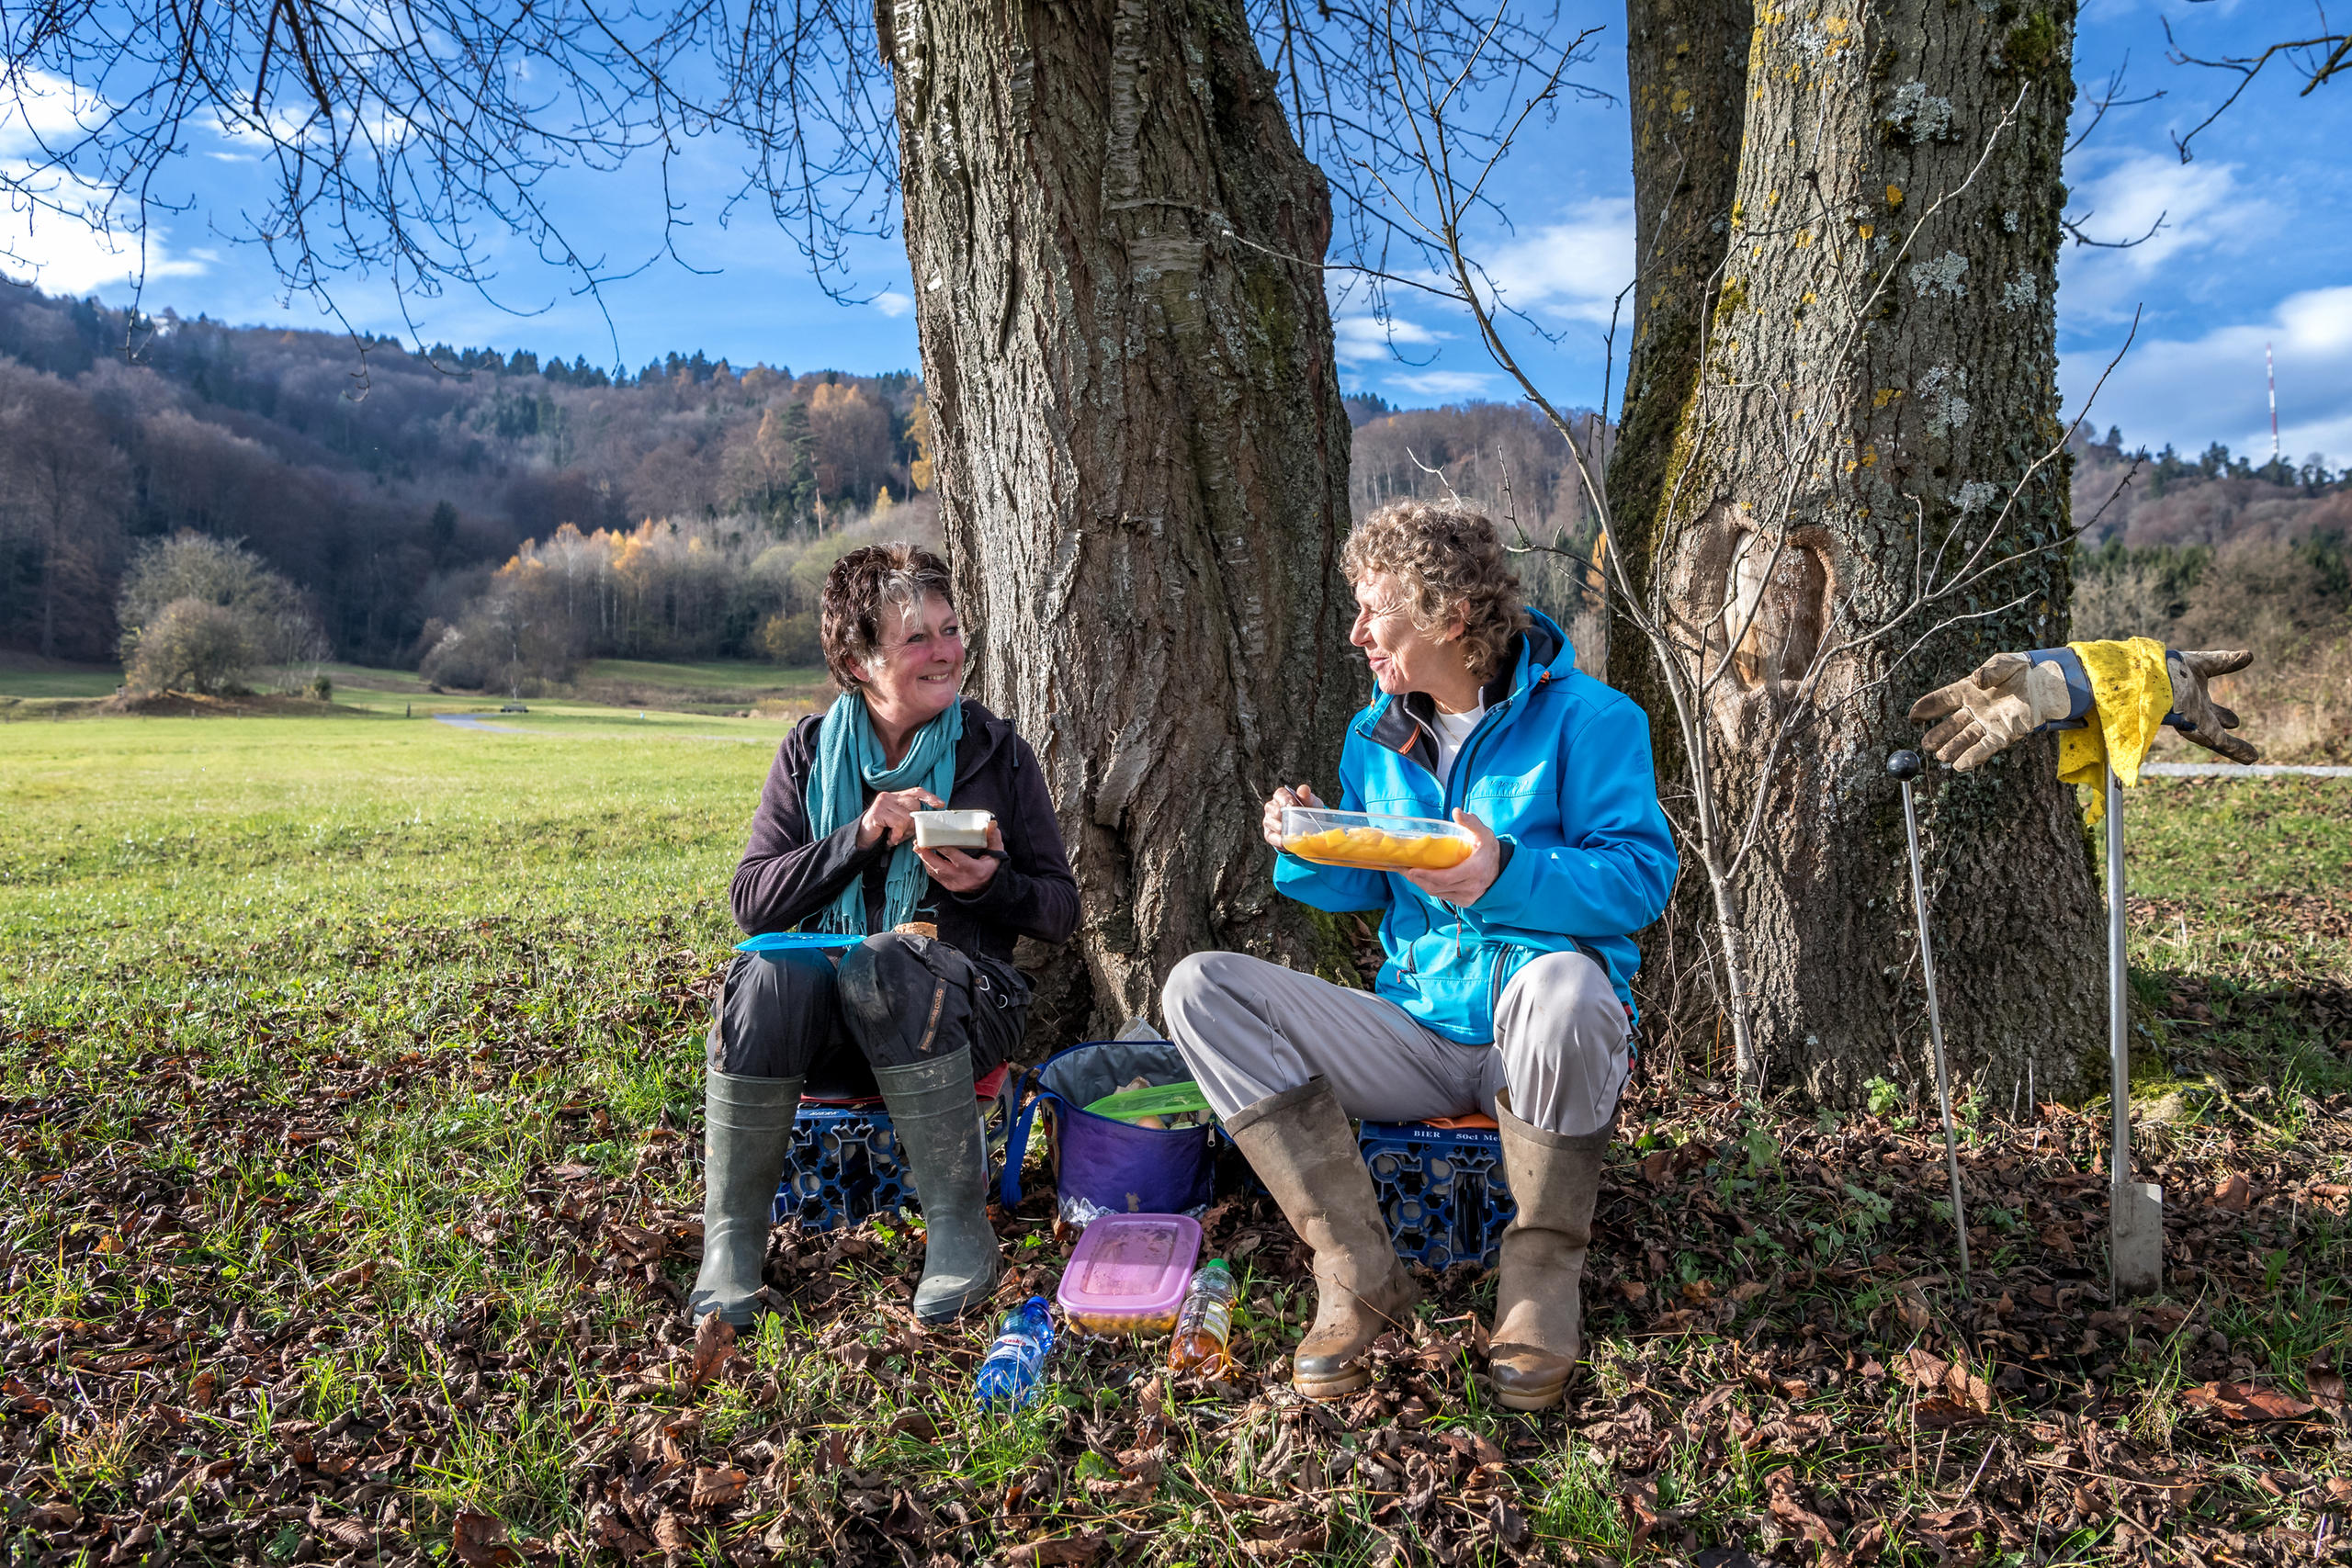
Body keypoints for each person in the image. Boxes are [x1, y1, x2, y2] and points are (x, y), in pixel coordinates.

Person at [1162, 501, 1676, 1409]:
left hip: (1535, 1042)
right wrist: (1310, 845)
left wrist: (1503, 870)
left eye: (1374, 610)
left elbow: (1639, 879)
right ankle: (1357, 1271)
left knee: (1565, 983)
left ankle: (1540, 1283)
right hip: (1417, 1030)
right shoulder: (1379, 736)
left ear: (1446, 617)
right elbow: (1373, 886)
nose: (1356, 632)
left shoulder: (1593, 721)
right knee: (1199, 988)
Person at [691, 543, 1078, 1327]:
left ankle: (959, 1231)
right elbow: (751, 899)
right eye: (917, 638)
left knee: (886, 961)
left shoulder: (994, 752)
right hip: (831, 1016)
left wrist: (990, 884)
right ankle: (731, 1242)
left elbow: (1061, 912)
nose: (946, 652)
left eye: (951, 628)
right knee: (767, 974)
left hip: (961, 1009)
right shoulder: (808, 752)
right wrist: (862, 834)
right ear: (857, 659)